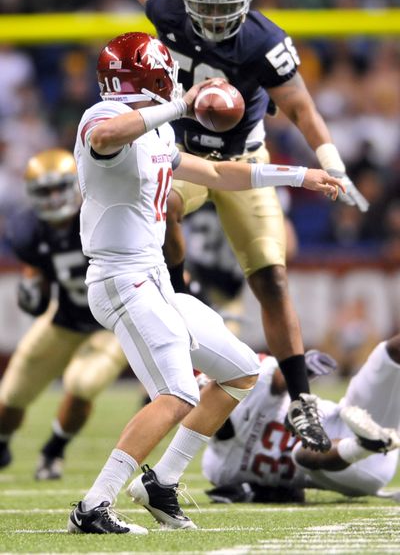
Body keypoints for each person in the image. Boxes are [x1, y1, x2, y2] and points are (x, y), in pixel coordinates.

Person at [48, 0, 369, 453]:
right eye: (205, 8)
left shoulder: (264, 42)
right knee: (166, 203)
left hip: (243, 158)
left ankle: (303, 401)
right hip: (184, 153)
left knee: (272, 275)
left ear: (246, 3)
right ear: (188, 1)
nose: (216, 20)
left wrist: (330, 162)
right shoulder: (170, 3)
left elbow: (303, 109)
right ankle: (176, 286)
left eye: (226, 10)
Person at [67, 30, 344, 535]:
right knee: (176, 393)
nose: (176, 78)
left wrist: (298, 176)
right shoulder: (102, 118)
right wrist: (178, 106)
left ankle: (161, 483)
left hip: (152, 278)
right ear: (150, 75)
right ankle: (94, 505)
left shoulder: (156, 132)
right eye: (166, 73)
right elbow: (106, 139)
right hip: (120, 277)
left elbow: (218, 175)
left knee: (241, 371)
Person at [0, 148, 128, 480]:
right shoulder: (27, 230)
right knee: (11, 393)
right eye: (45, 191)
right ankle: (1, 444)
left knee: (83, 383)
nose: (55, 198)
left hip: (110, 323)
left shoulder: (104, 213)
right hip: (65, 317)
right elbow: (38, 277)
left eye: (61, 188)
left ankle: (53, 451)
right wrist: (33, 289)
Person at [201, 335, 400, 504]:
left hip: (355, 420)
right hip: (342, 468)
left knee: (388, 353)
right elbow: (291, 494)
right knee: (303, 450)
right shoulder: (216, 467)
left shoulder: (246, 385)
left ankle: (374, 439)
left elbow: (277, 379)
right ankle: (365, 444)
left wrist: (302, 367)